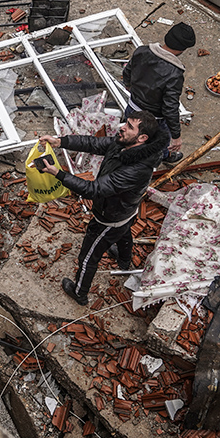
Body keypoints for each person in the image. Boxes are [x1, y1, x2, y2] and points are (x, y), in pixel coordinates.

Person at [38, 110, 167, 306]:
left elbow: (93, 189)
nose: (122, 127)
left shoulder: (136, 170)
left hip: (110, 218)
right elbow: (93, 143)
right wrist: (60, 141)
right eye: (126, 122)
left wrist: (58, 174)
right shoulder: (124, 144)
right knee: (124, 233)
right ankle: (124, 261)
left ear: (142, 138)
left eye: (129, 126)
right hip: (126, 210)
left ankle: (80, 292)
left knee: (88, 257)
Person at [122, 22, 195, 165]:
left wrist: (130, 86)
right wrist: (176, 136)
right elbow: (170, 107)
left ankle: (128, 153)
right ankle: (161, 158)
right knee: (159, 144)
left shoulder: (142, 51)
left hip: (133, 108)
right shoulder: (175, 73)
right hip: (155, 119)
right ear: (183, 49)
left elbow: (127, 73)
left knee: (131, 136)